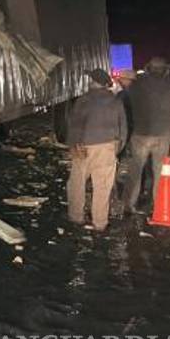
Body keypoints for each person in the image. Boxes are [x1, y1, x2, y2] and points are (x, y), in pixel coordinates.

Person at [67, 69, 129, 231]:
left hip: (84, 146)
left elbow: (75, 125)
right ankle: (100, 223)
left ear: (94, 82)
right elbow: (123, 128)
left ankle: (76, 217)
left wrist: (73, 145)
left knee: (77, 182)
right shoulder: (116, 102)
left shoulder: (83, 100)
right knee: (102, 186)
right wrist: (117, 149)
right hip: (108, 147)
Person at [121, 57, 170, 215]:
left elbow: (126, 106)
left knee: (135, 170)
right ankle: (159, 206)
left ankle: (128, 204)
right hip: (163, 135)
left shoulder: (136, 85)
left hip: (140, 134)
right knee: (160, 171)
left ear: (148, 68)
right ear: (165, 70)